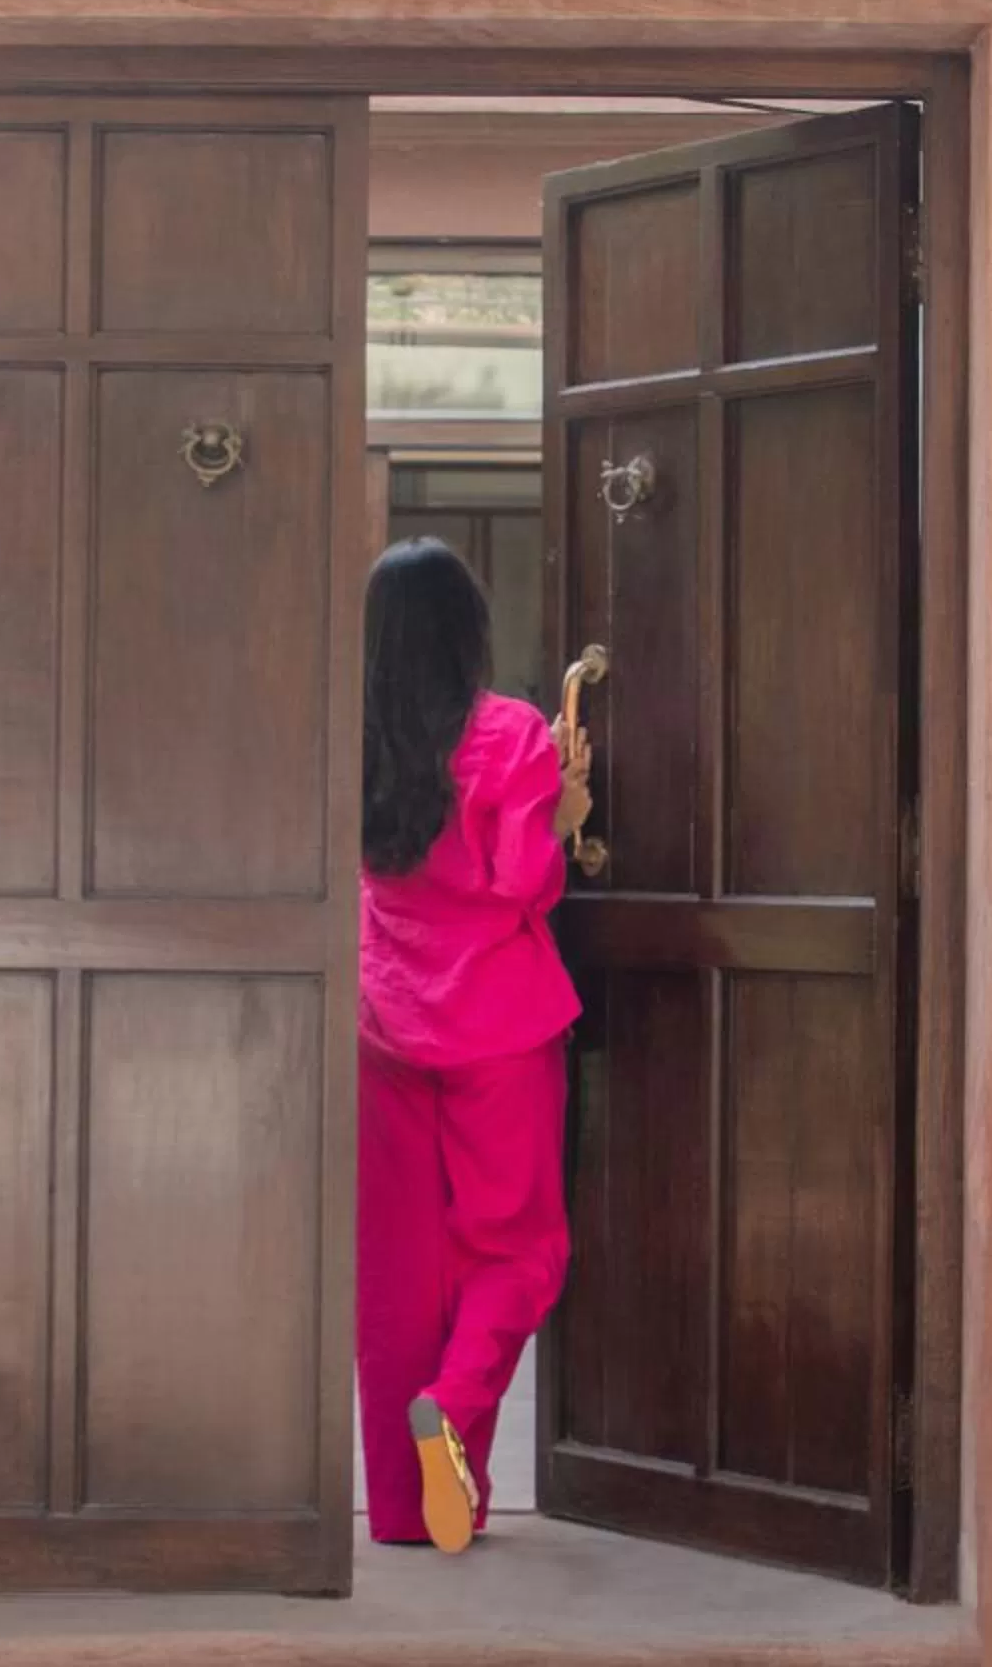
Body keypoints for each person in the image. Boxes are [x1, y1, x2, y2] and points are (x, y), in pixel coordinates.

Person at [356, 537, 592, 1554]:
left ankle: (411, 1516)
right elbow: (522, 880)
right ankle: (450, 1409)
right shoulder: (509, 734)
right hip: (497, 1025)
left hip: (381, 1020)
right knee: (518, 1248)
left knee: (397, 1273)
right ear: (469, 632)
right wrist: (568, 812)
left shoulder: (351, 740)